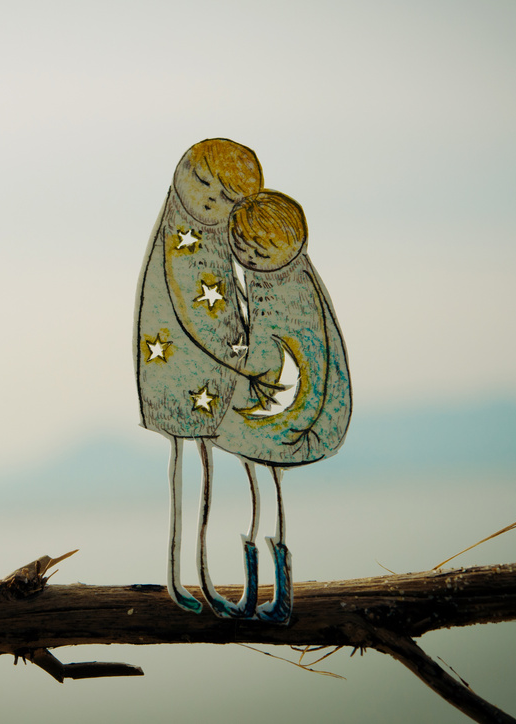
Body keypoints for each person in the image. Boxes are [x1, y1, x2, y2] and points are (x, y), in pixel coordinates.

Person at [134, 138, 276, 618]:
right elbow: (197, 309)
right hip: (185, 374)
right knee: (192, 468)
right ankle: (188, 579)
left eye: (228, 198)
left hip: (206, 374)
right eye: (201, 183)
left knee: (200, 469)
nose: (210, 200)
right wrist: (242, 355)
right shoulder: (181, 239)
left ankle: (200, 577)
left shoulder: (210, 236)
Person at [214, 189, 352, 622]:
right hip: (279, 412)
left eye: (255, 247)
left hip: (284, 415)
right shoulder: (281, 280)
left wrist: (229, 361)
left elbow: (280, 355)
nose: (247, 256)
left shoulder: (286, 292)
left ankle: (276, 597)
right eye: (241, 248)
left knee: (265, 496)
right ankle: (260, 595)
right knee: (262, 496)